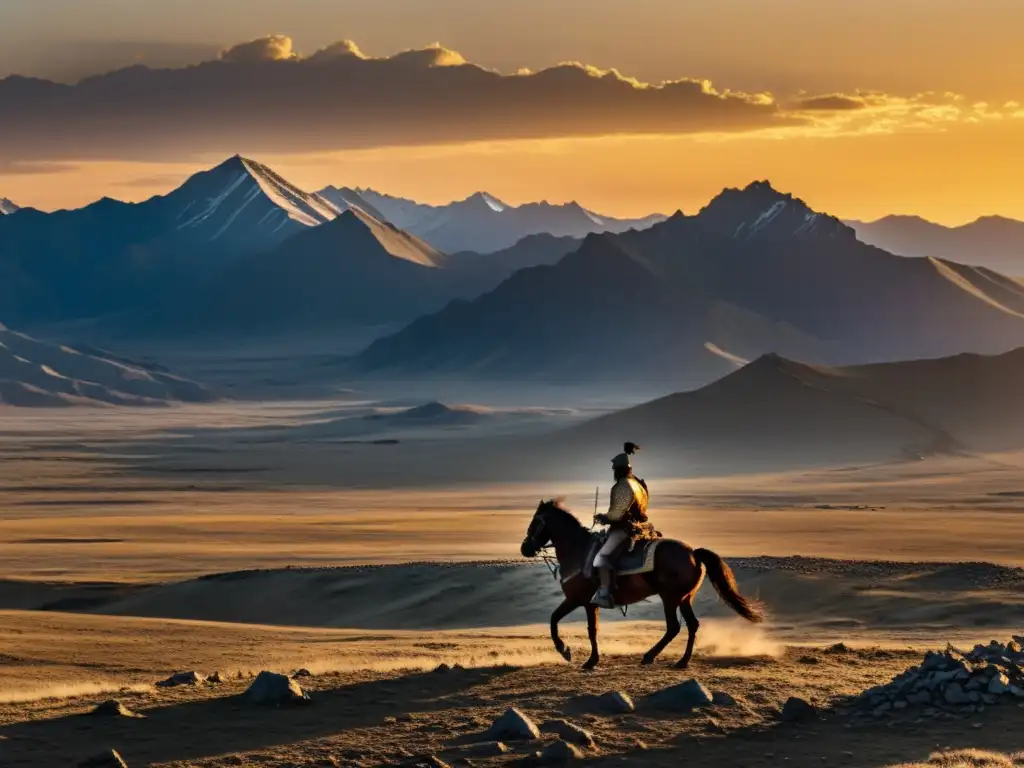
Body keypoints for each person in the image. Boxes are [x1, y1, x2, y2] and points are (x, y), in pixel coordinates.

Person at [591, 442, 649, 609]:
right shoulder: (638, 484)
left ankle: (605, 593)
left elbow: (617, 514)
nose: (614, 473)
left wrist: (603, 517)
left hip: (624, 529)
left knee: (601, 558)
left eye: (615, 470)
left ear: (619, 470)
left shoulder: (622, 486)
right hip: (639, 528)